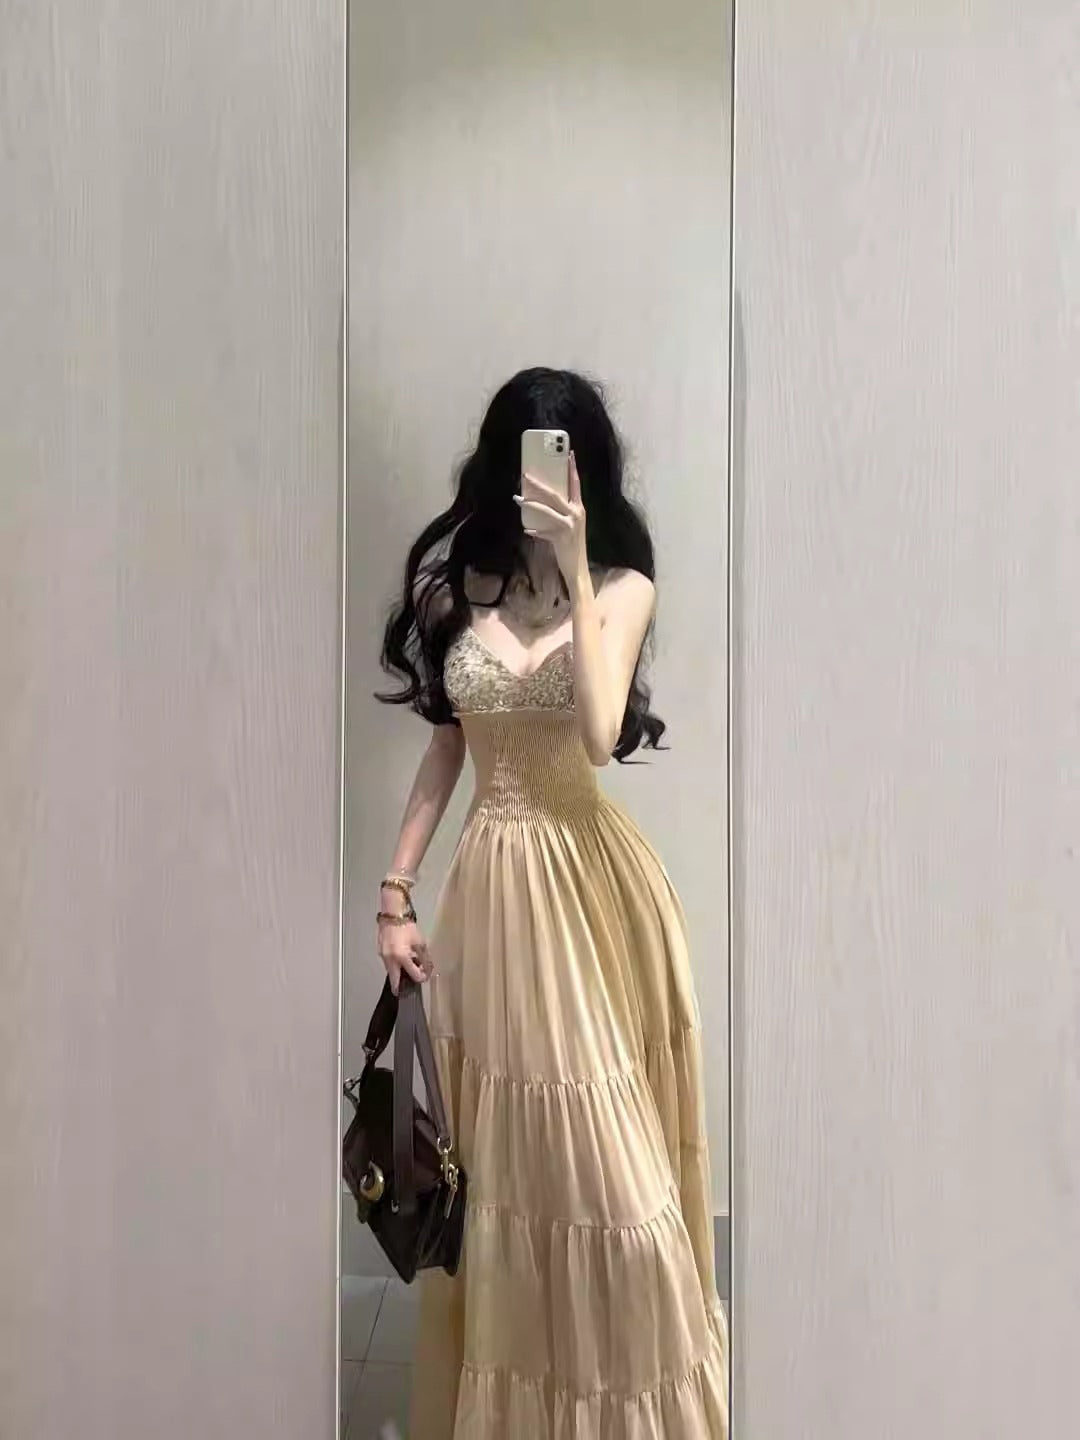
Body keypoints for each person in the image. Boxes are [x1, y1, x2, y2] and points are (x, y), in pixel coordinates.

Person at [374, 368, 728, 1438]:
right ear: (501, 463)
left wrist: (575, 564)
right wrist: (395, 892)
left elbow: (601, 737)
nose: (545, 478)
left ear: (587, 469)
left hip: (590, 893)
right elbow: (449, 749)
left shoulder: (622, 583)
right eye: (529, 455)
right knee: (510, 1173)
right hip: (492, 899)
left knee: (620, 1192)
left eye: (563, 456)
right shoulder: (458, 589)